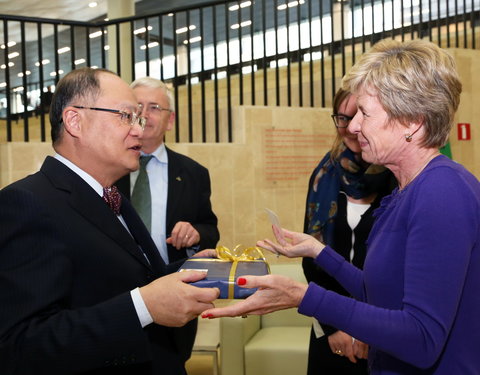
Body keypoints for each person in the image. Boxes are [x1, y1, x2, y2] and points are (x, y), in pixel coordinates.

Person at [201, 39, 480, 374]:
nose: (353, 126)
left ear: (413, 122)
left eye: (365, 112)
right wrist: (321, 253)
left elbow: (422, 338)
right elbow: (376, 291)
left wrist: (303, 297)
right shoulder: (407, 189)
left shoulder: (442, 191)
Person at [0, 67, 219, 375]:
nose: (139, 131)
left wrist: (185, 272)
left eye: (139, 119)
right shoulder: (27, 202)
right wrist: (143, 307)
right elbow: (19, 345)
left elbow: (117, 279)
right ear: (75, 121)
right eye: (125, 116)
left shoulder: (110, 196)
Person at [116, 76, 219, 363]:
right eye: (137, 107)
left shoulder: (193, 174)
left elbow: (211, 229)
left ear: (170, 120)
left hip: (175, 297)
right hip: (118, 300)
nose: (144, 115)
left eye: (153, 107)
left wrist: (196, 234)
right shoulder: (108, 171)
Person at [302, 88, 395, 374]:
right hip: (331, 328)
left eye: (359, 115)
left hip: (383, 329)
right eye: (343, 118)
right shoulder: (323, 175)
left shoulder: (398, 176)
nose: (351, 127)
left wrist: (369, 327)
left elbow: (397, 268)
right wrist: (332, 327)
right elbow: (312, 257)